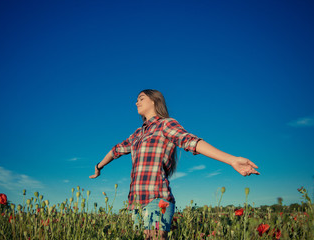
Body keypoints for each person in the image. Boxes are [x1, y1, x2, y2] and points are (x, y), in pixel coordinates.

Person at [89, 89, 260, 240]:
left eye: (141, 98)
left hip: (156, 200)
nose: (136, 102)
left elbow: (191, 141)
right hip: (135, 204)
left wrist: (231, 159)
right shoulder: (137, 134)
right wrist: (99, 166)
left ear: (155, 101)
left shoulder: (165, 124)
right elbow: (116, 150)